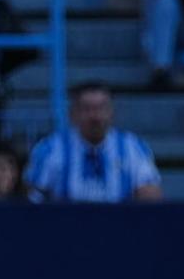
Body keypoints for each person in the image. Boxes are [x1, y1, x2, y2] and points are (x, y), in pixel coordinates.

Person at [25, 81, 163, 202]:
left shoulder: (133, 147)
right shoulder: (50, 149)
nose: (95, 116)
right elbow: (33, 198)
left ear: (112, 113)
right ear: (73, 114)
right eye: (87, 109)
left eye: (101, 108)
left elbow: (151, 196)